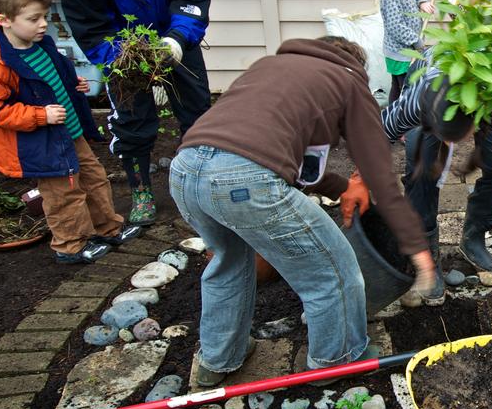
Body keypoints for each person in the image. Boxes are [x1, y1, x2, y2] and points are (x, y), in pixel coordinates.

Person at [168, 36, 436, 386]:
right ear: (356, 64)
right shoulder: (349, 80)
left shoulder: (268, 68)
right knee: (333, 271)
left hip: (185, 170)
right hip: (247, 180)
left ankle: (217, 360)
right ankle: (337, 360)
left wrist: (343, 189)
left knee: (228, 263)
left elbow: (295, 163)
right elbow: (381, 178)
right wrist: (418, 248)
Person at [57, 0, 213, 226]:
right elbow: (87, 24)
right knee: (133, 122)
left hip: (174, 39)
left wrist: (176, 40)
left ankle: (201, 188)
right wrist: (119, 57)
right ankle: (141, 189)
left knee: (197, 114)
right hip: (122, 51)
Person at [0, 0, 142, 264]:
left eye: (44, 16)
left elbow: (54, 76)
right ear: (4, 20)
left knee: (94, 179)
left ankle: (107, 228)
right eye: (33, 19)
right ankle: (70, 245)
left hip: (70, 132)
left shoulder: (40, 45)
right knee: (64, 193)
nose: (43, 24)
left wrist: (74, 85)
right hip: (45, 142)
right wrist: (39, 115)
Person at [349, 64, 492, 303]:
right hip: (429, 95)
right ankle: (427, 252)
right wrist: (359, 177)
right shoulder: (419, 98)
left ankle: (473, 238)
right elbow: (381, 132)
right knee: (422, 169)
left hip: (490, 100)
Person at [378, 0, 435, 104]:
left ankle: (392, 118)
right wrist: (416, 42)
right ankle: (404, 121)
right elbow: (396, 27)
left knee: (398, 87)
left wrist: (423, 2)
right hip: (400, 52)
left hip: (405, 49)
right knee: (406, 88)